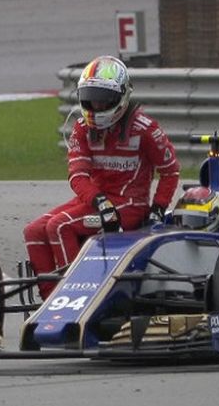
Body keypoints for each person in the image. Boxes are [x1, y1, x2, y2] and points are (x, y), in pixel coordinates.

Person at [23, 55, 181, 299]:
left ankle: (78, 294)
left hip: (129, 206)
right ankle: (50, 298)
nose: (95, 106)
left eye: (102, 99)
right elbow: (78, 176)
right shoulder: (81, 128)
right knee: (33, 230)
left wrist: (158, 208)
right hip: (96, 201)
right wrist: (99, 201)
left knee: (59, 225)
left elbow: (170, 171)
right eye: (90, 98)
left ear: (120, 97)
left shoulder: (145, 128)